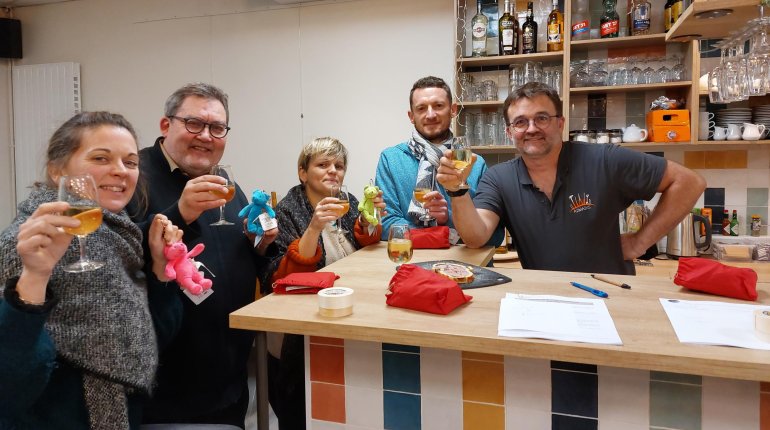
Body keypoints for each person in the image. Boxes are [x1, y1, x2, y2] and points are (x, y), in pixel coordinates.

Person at [0, 111, 183, 429]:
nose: (120, 171)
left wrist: (160, 270)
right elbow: (9, 386)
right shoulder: (27, 243)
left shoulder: (118, 235)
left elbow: (150, 335)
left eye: (130, 162)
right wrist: (34, 277)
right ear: (57, 170)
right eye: (101, 158)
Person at [127, 83, 278, 428]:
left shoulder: (222, 179)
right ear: (166, 125)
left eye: (217, 128)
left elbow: (239, 253)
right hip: (167, 388)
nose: (206, 136)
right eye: (194, 123)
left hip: (229, 374)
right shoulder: (134, 177)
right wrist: (179, 213)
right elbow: (121, 256)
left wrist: (260, 242)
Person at [437, 82, 706, 275]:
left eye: (542, 118)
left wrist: (640, 242)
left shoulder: (605, 160)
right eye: (520, 122)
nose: (531, 128)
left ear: (560, 123)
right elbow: (476, 237)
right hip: (543, 299)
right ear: (509, 132)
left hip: (609, 295)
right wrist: (457, 190)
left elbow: (689, 182)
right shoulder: (499, 178)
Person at [266, 137, 384, 429]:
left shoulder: (348, 200)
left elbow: (365, 244)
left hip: (348, 310)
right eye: (323, 165)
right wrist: (314, 227)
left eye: (339, 166)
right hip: (304, 322)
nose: (333, 171)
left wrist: (370, 219)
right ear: (303, 173)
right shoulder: (287, 210)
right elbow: (283, 277)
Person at [375, 76, 500, 244]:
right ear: (411, 116)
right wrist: (441, 233)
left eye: (438, 106)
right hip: (407, 257)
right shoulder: (391, 159)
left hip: (464, 259)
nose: (430, 114)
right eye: (421, 108)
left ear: (453, 110)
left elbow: (492, 235)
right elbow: (385, 224)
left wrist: (449, 217)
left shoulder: (475, 164)